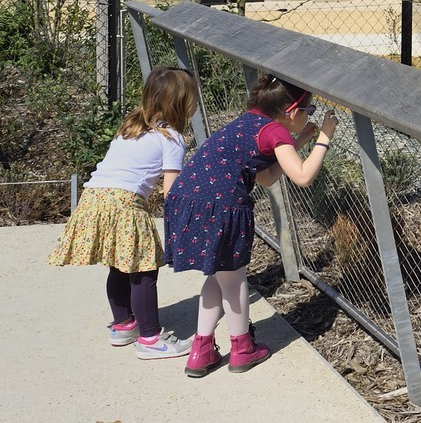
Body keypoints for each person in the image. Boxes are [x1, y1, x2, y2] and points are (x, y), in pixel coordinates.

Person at [164, 76, 338, 377]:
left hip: (188, 200)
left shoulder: (248, 122)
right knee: (235, 281)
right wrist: (324, 137)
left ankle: (200, 351)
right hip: (221, 208)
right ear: (292, 111)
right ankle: (242, 348)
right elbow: (302, 176)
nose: (308, 115)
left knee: (218, 277)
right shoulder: (275, 131)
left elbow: (266, 176)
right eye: (308, 111)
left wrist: (301, 141)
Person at [47, 67, 200, 360]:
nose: (194, 103)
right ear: (180, 102)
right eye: (192, 97)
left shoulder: (130, 127)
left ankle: (123, 324)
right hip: (124, 202)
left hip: (93, 197)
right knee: (143, 270)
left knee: (119, 262)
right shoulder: (173, 138)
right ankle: (151, 339)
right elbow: (172, 192)